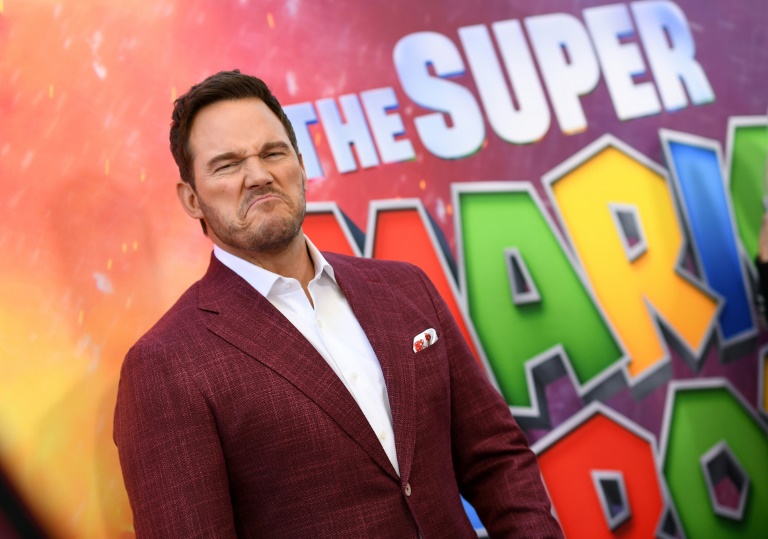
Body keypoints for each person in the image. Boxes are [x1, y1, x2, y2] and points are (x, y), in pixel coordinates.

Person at [113, 70, 563, 538]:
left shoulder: (404, 288)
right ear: (191, 199)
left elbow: (496, 459)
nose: (259, 176)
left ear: (300, 165)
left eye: (273, 153)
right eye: (227, 165)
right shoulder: (165, 365)